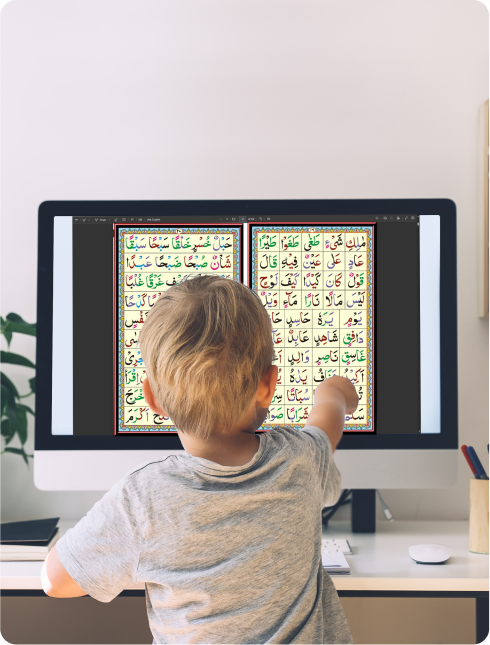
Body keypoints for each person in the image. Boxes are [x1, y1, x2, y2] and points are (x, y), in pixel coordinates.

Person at [42, 274, 358, 645]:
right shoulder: (301, 459)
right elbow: (328, 421)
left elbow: (55, 581)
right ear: (269, 385)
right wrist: (335, 392)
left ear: (152, 398)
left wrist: (134, 556)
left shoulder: (142, 499)